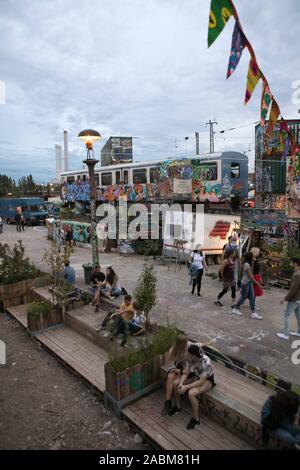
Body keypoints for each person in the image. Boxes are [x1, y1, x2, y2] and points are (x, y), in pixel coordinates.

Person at [173, 343, 215, 430]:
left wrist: (186, 387)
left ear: (193, 355)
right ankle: (178, 406)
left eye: (189, 354)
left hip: (207, 379)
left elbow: (201, 381)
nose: (187, 355)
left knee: (191, 393)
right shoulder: (191, 358)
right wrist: (181, 383)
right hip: (196, 374)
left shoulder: (206, 362)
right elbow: (187, 372)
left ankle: (196, 419)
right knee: (175, 383)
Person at [232, 252, 263, 320]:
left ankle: (254, 313)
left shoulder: (249, 263)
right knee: (243, 297)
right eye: (252, 256)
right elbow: (251, 276)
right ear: (250, 257)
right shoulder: (247, 265)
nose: (253, 257)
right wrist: (258, 284)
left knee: (252, 297)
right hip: (245, 283)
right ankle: (236, 309)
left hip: (249, 283)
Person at [276, 257, 300, 341]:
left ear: (295, 264)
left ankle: (285, 334)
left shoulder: (296, 274)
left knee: (287, 315)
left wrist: (285, 298)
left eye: (291, 263)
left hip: (294, 299)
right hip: (298, 299)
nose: (290, 264)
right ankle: (299, 332)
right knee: (298, 315)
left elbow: (293, 289)